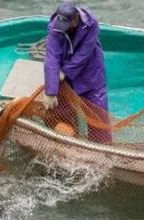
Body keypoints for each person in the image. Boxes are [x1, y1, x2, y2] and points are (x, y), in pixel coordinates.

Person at [43, 2, 112, 144]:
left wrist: (65, 71)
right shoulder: (55, 26)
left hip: (91, 73)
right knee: (62, 112)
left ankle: (101, 148)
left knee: (97, 115)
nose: (64, 27)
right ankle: (69, 143)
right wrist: (51, 90)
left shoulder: (92, 24)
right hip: (65, 73)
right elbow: (52, 57)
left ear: (75, 19)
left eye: (67, 24)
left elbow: (83, 54)